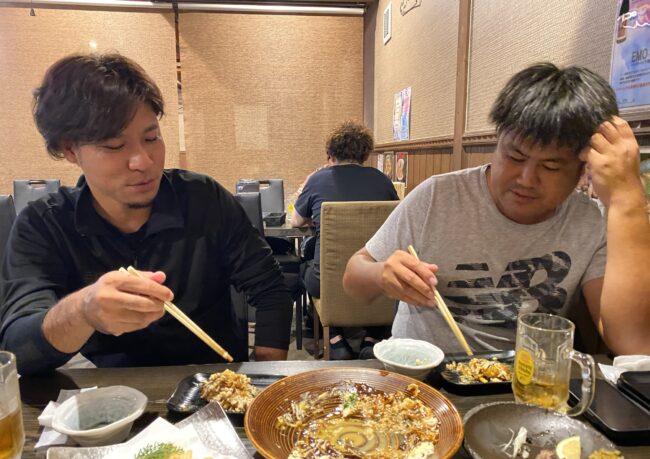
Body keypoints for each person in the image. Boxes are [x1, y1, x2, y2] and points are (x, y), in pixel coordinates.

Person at [0, 53, 293, 375]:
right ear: (70, 149)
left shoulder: (203, 199)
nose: (143, 161)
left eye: (151, 138)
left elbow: (270, 289)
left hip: (214, 382)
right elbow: (18, 351)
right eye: (115, 145)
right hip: (111, 394)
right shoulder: (44, 224)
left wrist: (264, 378)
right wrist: (83, 311)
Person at [343, 63, 650, 355]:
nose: (526, 179)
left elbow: (633, 343)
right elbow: (354, 280)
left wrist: (627, 201)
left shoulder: (590, 219)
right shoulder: (437, 197)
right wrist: (382, 275)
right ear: (497, 139)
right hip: (426, 376)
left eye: (551, 166)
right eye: (515, 156)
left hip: (527, 377)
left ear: (584, 168)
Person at [291, 121, 399, 359]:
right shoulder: (382, 180)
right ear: (365, 153)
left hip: (326, 282)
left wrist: (308, 186)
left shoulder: (318, 180)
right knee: (382, 274)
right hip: (373, 279)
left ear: (331, 153)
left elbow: (296, 221)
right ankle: (371, 339)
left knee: (306, 266)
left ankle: (335, 339)